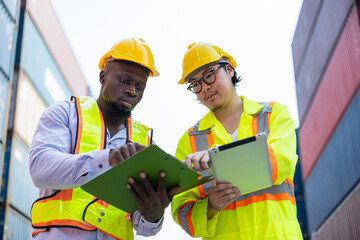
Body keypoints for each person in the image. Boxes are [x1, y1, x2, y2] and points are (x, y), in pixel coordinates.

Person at [29, 38, 180, 240]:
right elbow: (40, 169)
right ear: (102, 77)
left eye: (140, 86)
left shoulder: (144, 141)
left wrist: (152, 216)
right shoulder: (66, 113)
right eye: (124, 80)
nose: (132, 91)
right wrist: (107, 159)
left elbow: (144, 227)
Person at [171, 42, 303, 239]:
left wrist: (215, 156)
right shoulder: (188, 141)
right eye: (195, 84)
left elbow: (281, 162)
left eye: (209, 75)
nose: (205, 87)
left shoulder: (273, 115)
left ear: (230, 70)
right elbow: (181, 210)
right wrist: (210, 207)